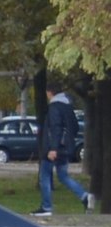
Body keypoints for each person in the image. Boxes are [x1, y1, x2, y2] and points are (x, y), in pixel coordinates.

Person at [38, 90, 91, 218]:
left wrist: (53, 148)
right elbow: (75, 127)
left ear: (50, 92)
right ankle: (85, 196)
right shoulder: (68, 107)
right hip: (66, 148)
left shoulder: (54, 107)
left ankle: (46, 207)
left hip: (54, 149)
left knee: (44, 175)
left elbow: (55, 127)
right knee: (63, 176)